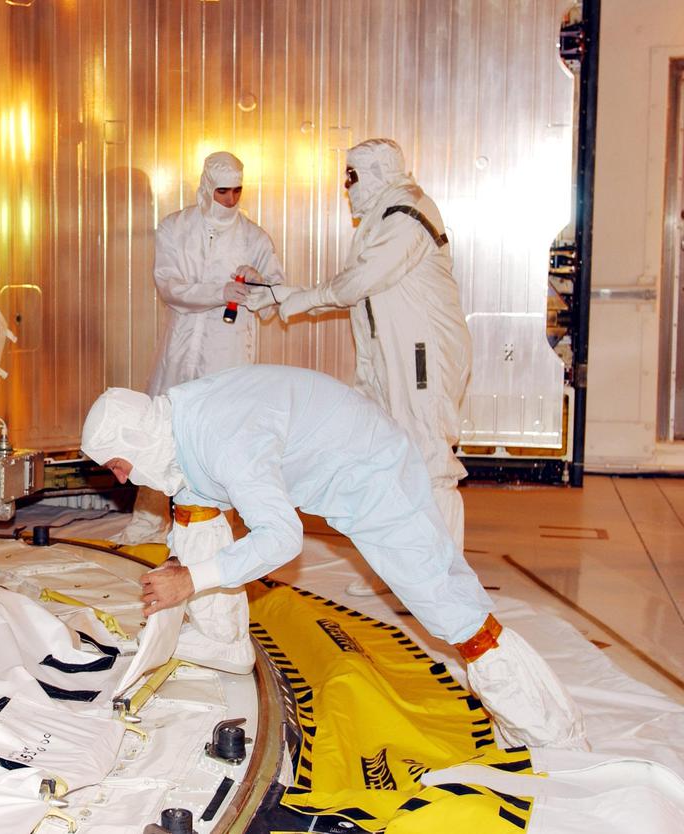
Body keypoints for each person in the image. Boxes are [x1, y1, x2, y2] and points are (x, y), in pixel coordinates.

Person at [81, 364, 586, 750]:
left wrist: (193, 580)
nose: (123, 479)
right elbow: (194, 479)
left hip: (371, 470)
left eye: (120, 465)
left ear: (135, 441)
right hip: (330, 453)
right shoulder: (178, 417)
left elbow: (282, 538)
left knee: (452, 612)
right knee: (192, 506)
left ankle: (553, 736)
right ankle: (222, 638)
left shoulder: (225, 442)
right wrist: (183, 563)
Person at [269, 139, 471, 553]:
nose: (348, 187)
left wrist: (304, 301)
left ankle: (445, 582)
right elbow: (357, 285)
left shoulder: (406, 213)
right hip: (389, 356)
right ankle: (402, 568)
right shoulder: (384, 214)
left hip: (420, 357)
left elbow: (363, 280)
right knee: (384, 457)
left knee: (430, 460)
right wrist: (280, 294)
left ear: (378, 173)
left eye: (353, 176)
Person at [116, 151, 287, 546]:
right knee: (165, 427)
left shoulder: (254, 237)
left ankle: (220, 527)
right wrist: (216, 292)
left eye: (237, 191)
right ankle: (148, 519)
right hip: (181, 345)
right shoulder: (175, 228)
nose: (230, 200)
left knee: (223, 434)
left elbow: (276, 294)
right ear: (207, 187)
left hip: (228, 351)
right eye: (222, 191)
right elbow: (170, 286)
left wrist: (257, 282)